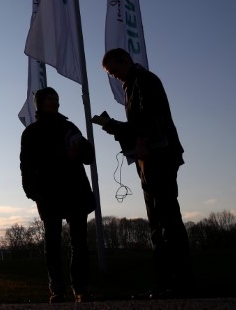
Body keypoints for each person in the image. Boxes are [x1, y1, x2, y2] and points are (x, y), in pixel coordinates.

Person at [95, 48, 193, 299]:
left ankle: (178, 283)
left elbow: (147, 122)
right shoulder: (133, 84)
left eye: (114, 71)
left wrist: (114, 126)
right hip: (150, 156)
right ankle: (167, 282)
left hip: (158, 154)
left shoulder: (145, 81)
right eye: (110, 74)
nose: (114, 77)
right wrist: (118, 129)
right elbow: (142, 124)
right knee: (159, 220)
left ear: (125, 61)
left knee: (166, 219)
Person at [20, 87, 95, 304]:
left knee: (79, 241)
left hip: (75, 191)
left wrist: (79, 150)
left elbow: (89, 155)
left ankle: (81, 288)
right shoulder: (31, 133)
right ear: (40, 103)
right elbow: (27, 165)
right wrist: (32, 192)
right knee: (52, 242)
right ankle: (58, 289)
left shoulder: (68, 127)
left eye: (57, 98)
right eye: (50, 99)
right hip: (49, 193)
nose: (55, 102)